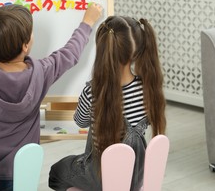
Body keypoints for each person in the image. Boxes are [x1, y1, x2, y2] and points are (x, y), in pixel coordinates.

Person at [0, 3, 103, 191]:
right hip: (21, 179)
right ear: (25, 45)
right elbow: (70, 53)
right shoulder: (41, 72)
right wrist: (87, 22)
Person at [48, 16, 167, 191]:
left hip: (100, 176)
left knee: (56, 172)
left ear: (104, 49)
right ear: (137, 51)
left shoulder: (94, 92)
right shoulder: (148, 89)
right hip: (137, 174)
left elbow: (80, 121)